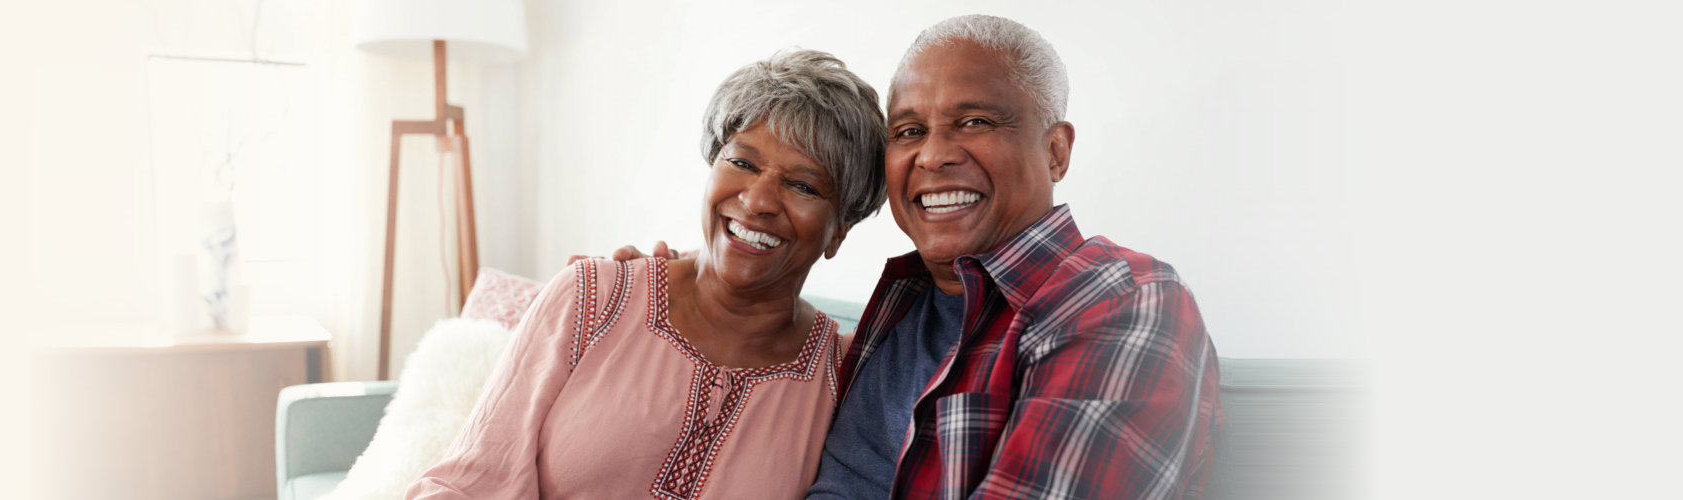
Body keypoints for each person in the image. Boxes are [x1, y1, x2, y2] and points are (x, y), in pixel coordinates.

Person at [605, 15, 1223, 499]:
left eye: (975, 120)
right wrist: (673, 294)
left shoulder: (1121, 301)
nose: (932, 156)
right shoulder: (894, 317)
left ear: (1056, 151)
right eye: (907, 131)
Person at [407, 49, 888, 500]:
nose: (758, 201)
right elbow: (473, 482)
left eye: (802, 185)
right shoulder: (592, 297)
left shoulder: (844, 378)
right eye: (742, 162)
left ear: (839, 230)